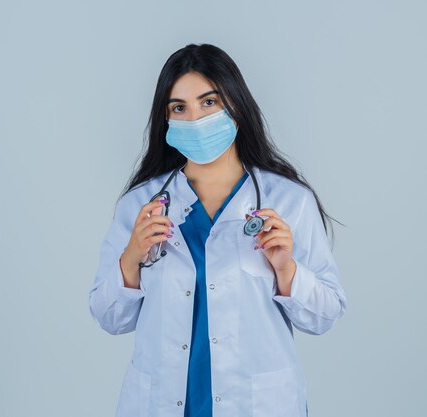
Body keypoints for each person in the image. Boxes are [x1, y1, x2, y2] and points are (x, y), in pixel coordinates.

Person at [88, 43, 348, 417]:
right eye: (180, 108)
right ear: (167, 120)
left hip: (257, 405)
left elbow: (325, 316)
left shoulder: (290, 202)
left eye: (209, 102)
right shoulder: (140, 206)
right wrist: (130, 260)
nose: (195, 119)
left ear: (236, 107)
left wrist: (287, 271)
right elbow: (109, 318)